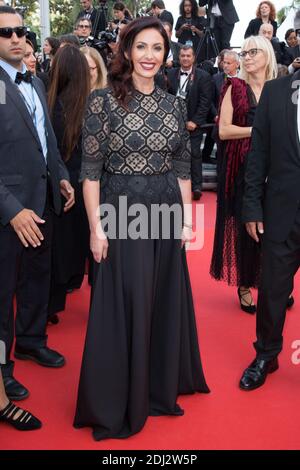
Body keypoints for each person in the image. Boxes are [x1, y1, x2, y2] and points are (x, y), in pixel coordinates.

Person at [74, 16, 209, 441]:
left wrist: (187, 219)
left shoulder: (174, 105)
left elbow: (183, 166)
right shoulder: (103, 102)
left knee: (162, 297)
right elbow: (90, 172)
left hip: (165, 213)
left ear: (165, 55)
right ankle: (119, 397)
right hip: (123, 215)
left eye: (157, 48)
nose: (150, 56)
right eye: (142, 47)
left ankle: (157, 384)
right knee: (127, 300)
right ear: (127, 51)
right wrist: (97, 229)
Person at [0, 5, 75, 401]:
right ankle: (1, 368)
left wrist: (61, 176)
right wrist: (11, 210)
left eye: (21, 30)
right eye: (6, 32)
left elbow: (47, 141)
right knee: (1, 298)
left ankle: (31, 339)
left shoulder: (35, 81)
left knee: (36, 281)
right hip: (8, 213)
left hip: (43, 203)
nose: (16, 38)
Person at [239, 65, 300, 393]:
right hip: (281, 211)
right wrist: (252, 206)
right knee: (273, 289)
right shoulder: (276, 93)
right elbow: (257, 156)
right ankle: (266, 354)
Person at [210, 36, 277, 314]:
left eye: (253, 52)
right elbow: (224, 131)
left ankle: (272, 283)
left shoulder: (279, 89)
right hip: (240, 166)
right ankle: (245, 284)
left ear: (267, 55)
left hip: (274, 169)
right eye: (244, 52)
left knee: (273, 226)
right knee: (243, 225)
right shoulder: (234, 87)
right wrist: (258, 131)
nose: (247, 57)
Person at [47, 45, 91, 321]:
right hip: (86, 183)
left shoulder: (48, 103)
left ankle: (51, 305)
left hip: (60, 184)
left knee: (60, 247)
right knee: (89, 243)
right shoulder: (90, 106)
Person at [167, 45, 213, 200]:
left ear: (193, 58)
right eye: (182, 56)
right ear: (178, 58)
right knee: (173, 155)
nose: (185, 58)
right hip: (174, 124)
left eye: (188, 56)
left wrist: (195, 121)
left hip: (194, 124)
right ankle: (173, 186)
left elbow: (205, 102)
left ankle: (197, 187)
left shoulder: (203, 76)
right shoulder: (171, 74)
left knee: (195, 154)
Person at [175, 0, 205, 64]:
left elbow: (202, 35)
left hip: (196, 47)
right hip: (182, 46)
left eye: (189, 5)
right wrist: (181, 28)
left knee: (195, 63)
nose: (187, 8)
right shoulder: (180, 19)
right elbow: (176, 35)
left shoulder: (198, 19)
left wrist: (196, 30)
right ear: (182, 7)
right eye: (185, 6)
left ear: (193, 6)